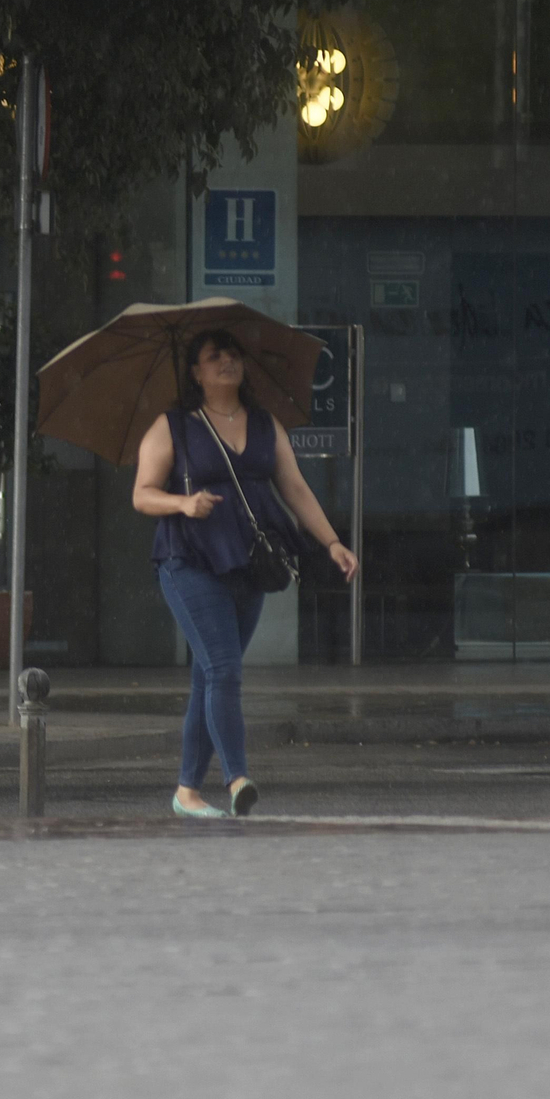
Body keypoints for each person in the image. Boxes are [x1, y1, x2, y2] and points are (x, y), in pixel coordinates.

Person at [132, 328, 360, 819]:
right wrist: (183, 503)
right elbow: (142, 494)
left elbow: (295, 488)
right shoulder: (173, 426)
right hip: (189, 560)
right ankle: (238, 779)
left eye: (233, 353)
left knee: (208, 675)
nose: (227, 361)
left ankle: (187, 792)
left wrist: (332, 542)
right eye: (214, 356)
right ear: (195, 372)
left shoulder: (264, 424)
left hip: (250, 561)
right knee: (223, 669)